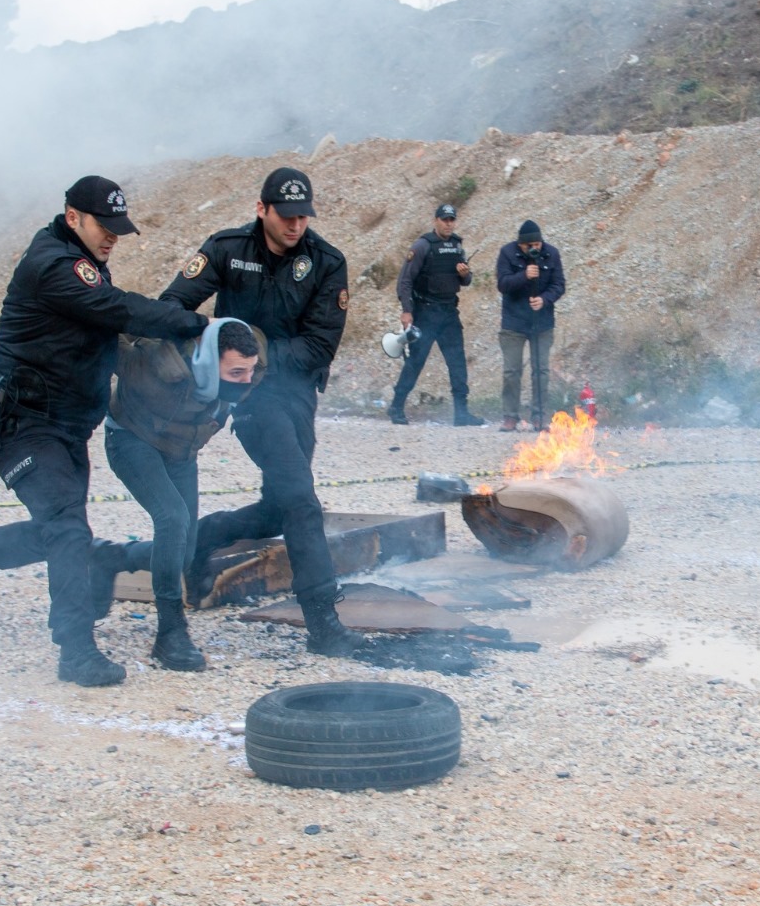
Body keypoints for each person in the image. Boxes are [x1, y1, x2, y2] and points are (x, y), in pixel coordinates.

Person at [0, 176, 208, 688]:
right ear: (73, 215)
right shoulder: (55, 263)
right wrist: (190, 324)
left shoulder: (82, 262)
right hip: (25, 424)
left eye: (118, 230)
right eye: (104, 227)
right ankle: (75, 649)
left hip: (65, 427)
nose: (112, 238)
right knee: (67, 529)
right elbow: (116, 310)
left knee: (60, 531)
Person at [161, 166, 364, 657]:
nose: (296, 225)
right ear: (262, 210)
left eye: (303, 216)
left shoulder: (325, 262)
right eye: (286, 215)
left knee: (279, 506)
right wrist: (216, 347)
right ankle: (323, 622)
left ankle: (199, 541)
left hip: (295, 394)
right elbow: (172, 305)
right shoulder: (229, 248)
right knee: (300, 500)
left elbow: (319, 345)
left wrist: (261, 353)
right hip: (248, 396)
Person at [104, 318, 261, 672]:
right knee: (172, 520)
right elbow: (110, 338)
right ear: (210, 363)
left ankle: (112, 560)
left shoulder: (252, 363)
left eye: (250, 372)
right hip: (131, 440)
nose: (246, 381)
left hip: (180, 451)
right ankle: (170, 633)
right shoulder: (160, 364)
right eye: (236, 373)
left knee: (185, 548)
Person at [387, 204, 485, 426]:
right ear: (436, 221)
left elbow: (466, 281)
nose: (448, 223)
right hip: (426, 312)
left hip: (449, 312)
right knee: (416, 362)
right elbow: (405, 280)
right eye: (444, 219)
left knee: (457, 362)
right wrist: (407, 310)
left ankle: (461, 413)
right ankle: (396, 407)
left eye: (452, 219)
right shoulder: (423, 246)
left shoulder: (457, 246)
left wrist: (465, 274)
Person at [495, 219, 566, 432]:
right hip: (513, 322)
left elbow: (559, 285)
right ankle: (510, 416)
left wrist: (545, 299)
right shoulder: (507, 253)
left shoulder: (551, 254)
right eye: (529, 246)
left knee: (541, 370)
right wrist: (523, 276)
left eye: (538, 244)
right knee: (511, 371)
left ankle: (540, 416)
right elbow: (503, 284)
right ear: (520, 245)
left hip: (542, 322)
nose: (535, 249)